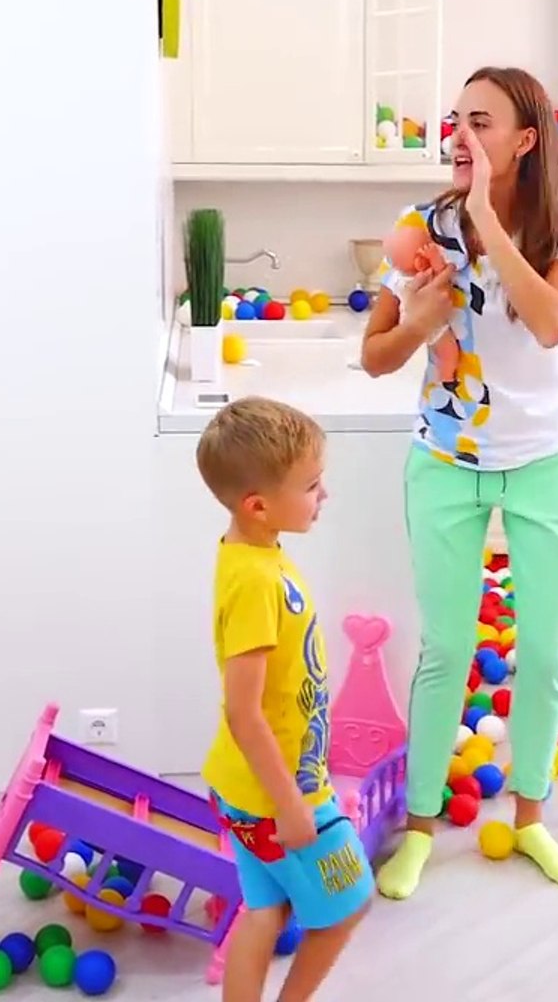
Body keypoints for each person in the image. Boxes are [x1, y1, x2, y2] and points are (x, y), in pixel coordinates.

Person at [359, 66, 558, 898]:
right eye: (455, 119)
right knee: (447, 648)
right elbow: (376, 356)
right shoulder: (419, 226)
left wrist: (488, 221)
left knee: (542, 650)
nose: (460, 135)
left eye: (482, 122)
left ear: (524, 141)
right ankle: (419, 827)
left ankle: (531, 821)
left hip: (544, 462)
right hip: (446, 462)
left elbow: (550, 321)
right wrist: (421, 319)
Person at [196, 396, 372, 1002]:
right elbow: (242, 713)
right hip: (276, 796)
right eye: (312, 486)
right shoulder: (254, 581)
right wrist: (291, 806)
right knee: (348, 903)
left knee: (264, 910)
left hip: (252, 789)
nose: (324, 496)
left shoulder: (258, 552)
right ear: (258, 504)